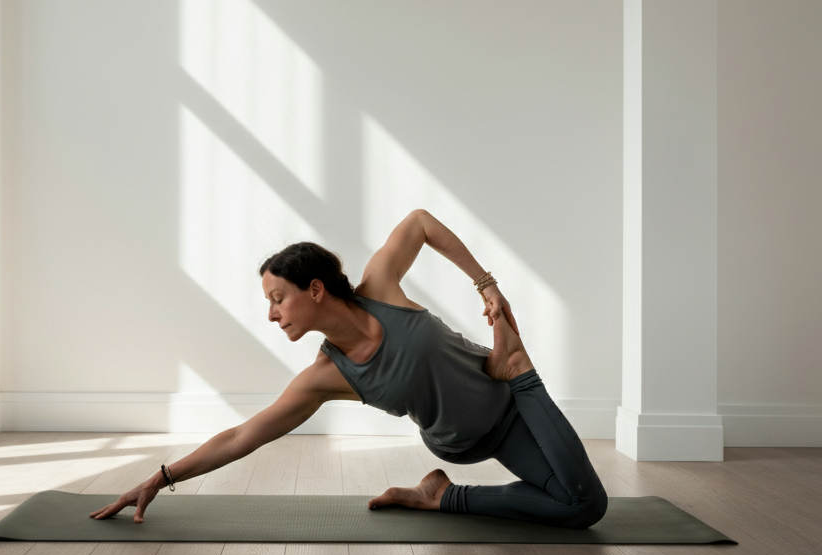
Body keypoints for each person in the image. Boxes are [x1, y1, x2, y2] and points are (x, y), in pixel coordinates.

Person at [91, 209, 607, 528]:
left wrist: (486, 284)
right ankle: (502, 392)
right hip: (467, 440)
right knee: (584, 505)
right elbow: (242, 436)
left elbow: (421, 222)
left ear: (315, 289)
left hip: (511, 402)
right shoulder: (326, 376)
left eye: (278, 299)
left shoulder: (380, 288)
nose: (271, 313)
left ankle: (453, 479)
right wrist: (162, 478)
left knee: (580, 506)